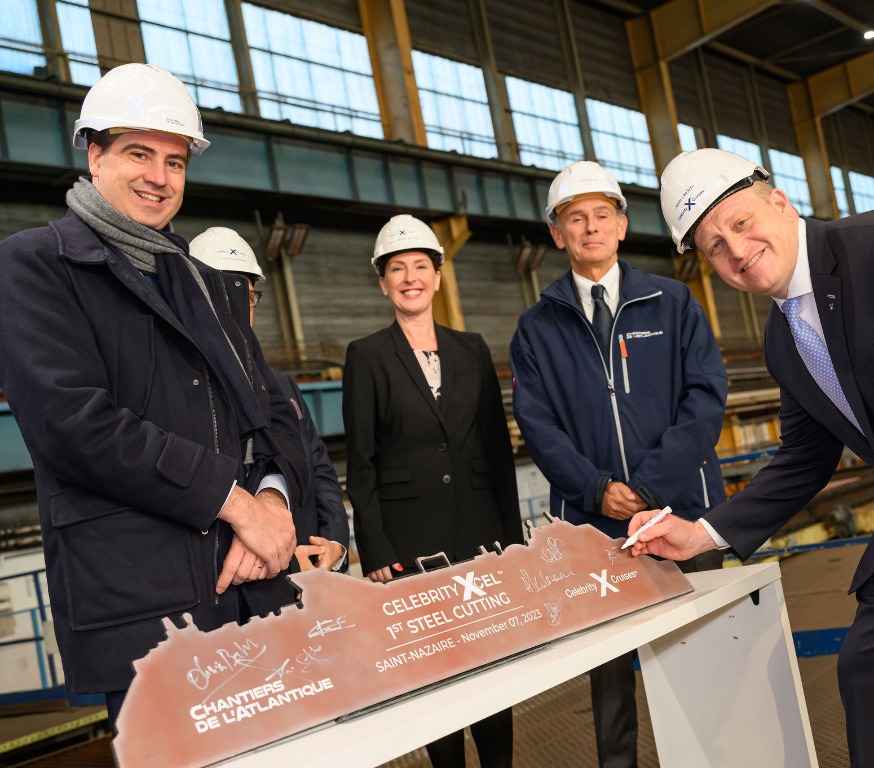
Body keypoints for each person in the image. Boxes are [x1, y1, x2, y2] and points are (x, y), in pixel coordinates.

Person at [628, 147, 874, 767]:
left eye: (740, 222)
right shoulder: (783, 338)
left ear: (780, 202)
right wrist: (701, 533)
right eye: (714, 246)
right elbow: (805, 459)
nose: (736, 250)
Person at [0, 64, 306, 725]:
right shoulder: (35, 266)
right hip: (149, 616)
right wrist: (235, 504)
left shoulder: (204, 282)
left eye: (175, 162)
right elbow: (75, 426)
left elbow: (273, 411)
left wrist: (273, 504)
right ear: (95, 155)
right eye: (139, 153)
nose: (159, 177)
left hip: (253, 591)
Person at [509, 160, 728, 768]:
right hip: (593, 528)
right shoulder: (536, 327)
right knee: (610, 681)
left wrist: (651, 486)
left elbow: (705, 397)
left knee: (699, 660)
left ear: (622, 226)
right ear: (557, 234)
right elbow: (537, 424)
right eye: (575, 218)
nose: (590, 228)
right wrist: (594, 488)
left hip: (683, 512)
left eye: (601, 215)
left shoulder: (673, 301)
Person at [343, 214, 521, 768]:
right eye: (397, 269)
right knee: (436, 674)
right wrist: (376, 550)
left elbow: (497, 450)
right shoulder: (367, 355)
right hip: (410, 542)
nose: (410, 278)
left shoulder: (472, 349)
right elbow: (362, 462)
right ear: (382, 283)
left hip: (480, 536)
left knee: (491, 667)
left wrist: (513, 540)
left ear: (438, 277)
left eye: (420, 266)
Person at [190, 226, 349, 573]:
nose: (237, 307)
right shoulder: (186, 389)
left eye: (246, 297)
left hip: (311, 563)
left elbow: (319, 467)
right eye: (223, 293)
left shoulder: (281, 385)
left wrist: (334, 541)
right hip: (247, 573)